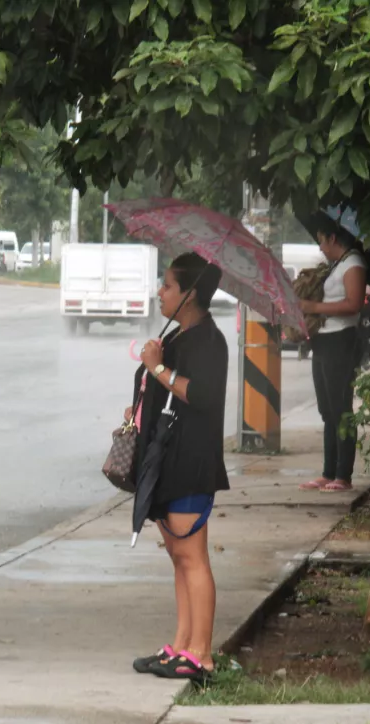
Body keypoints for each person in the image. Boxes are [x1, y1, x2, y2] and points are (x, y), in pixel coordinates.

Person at [129, 253, 230, 686]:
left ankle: (201, 655)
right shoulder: (181, 337)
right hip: (167, 462)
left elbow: (202, 395)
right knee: (177, 557)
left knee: (193, 557)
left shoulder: (209, 340)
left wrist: (158, 368)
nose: (160, 292)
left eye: (168, 286)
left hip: (191, 461)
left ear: (189, 294)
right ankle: (181, 644)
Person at [299, 213, 367, 493]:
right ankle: (328, 471)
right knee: (327, 409)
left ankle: (343, 474)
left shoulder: (353, 264)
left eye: (321, 241)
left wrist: (314, 308)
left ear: (333, 238)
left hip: (342, 339)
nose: (320, 248)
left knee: (341, 409)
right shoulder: (335, 264)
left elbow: (353, 304)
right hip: (323, 340)